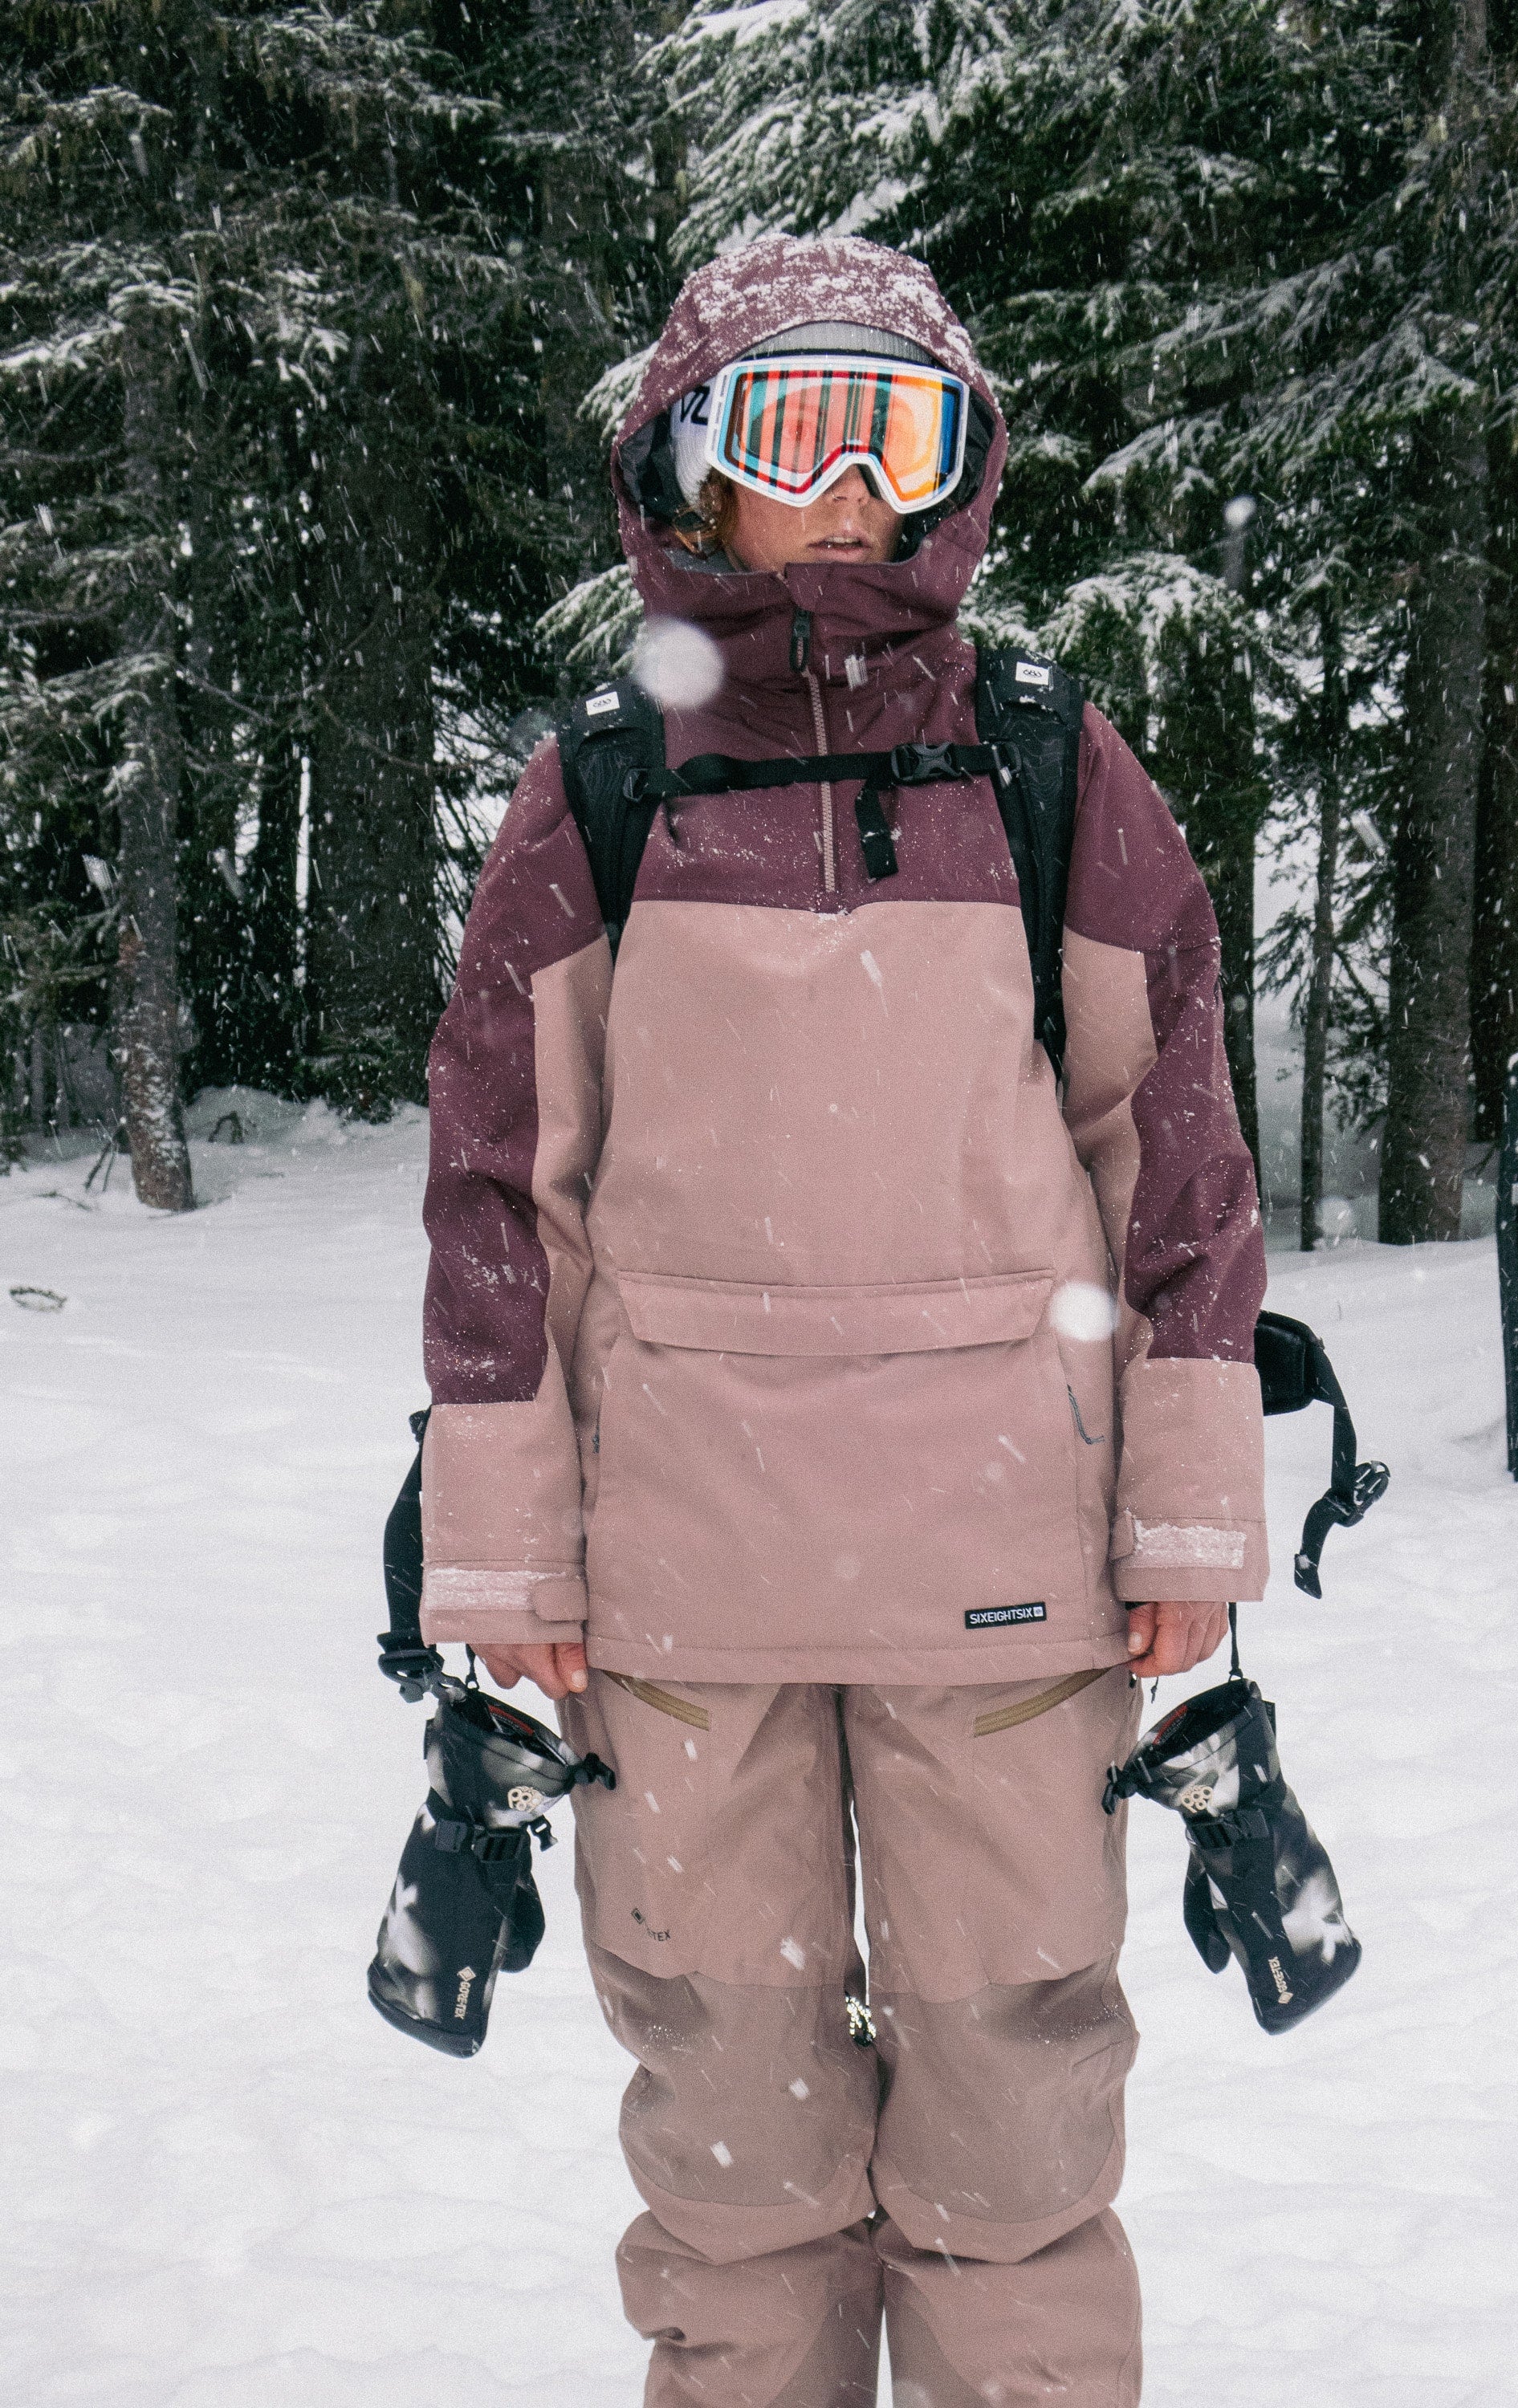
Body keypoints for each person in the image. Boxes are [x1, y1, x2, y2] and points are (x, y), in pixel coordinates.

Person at [417, 234, 1268, 2408]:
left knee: (1015, 2109)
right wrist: (505, 1551)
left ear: (954, 469)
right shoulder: (605, 785)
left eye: (890, 435)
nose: (841, 493)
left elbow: (1172, 1147)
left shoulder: (1051, 761)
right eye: (787, 432)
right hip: (680, 1585)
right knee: (731, 2118)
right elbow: (507, 1188)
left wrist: (1186, 1513)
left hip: (1004, 1573)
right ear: (688, 470)